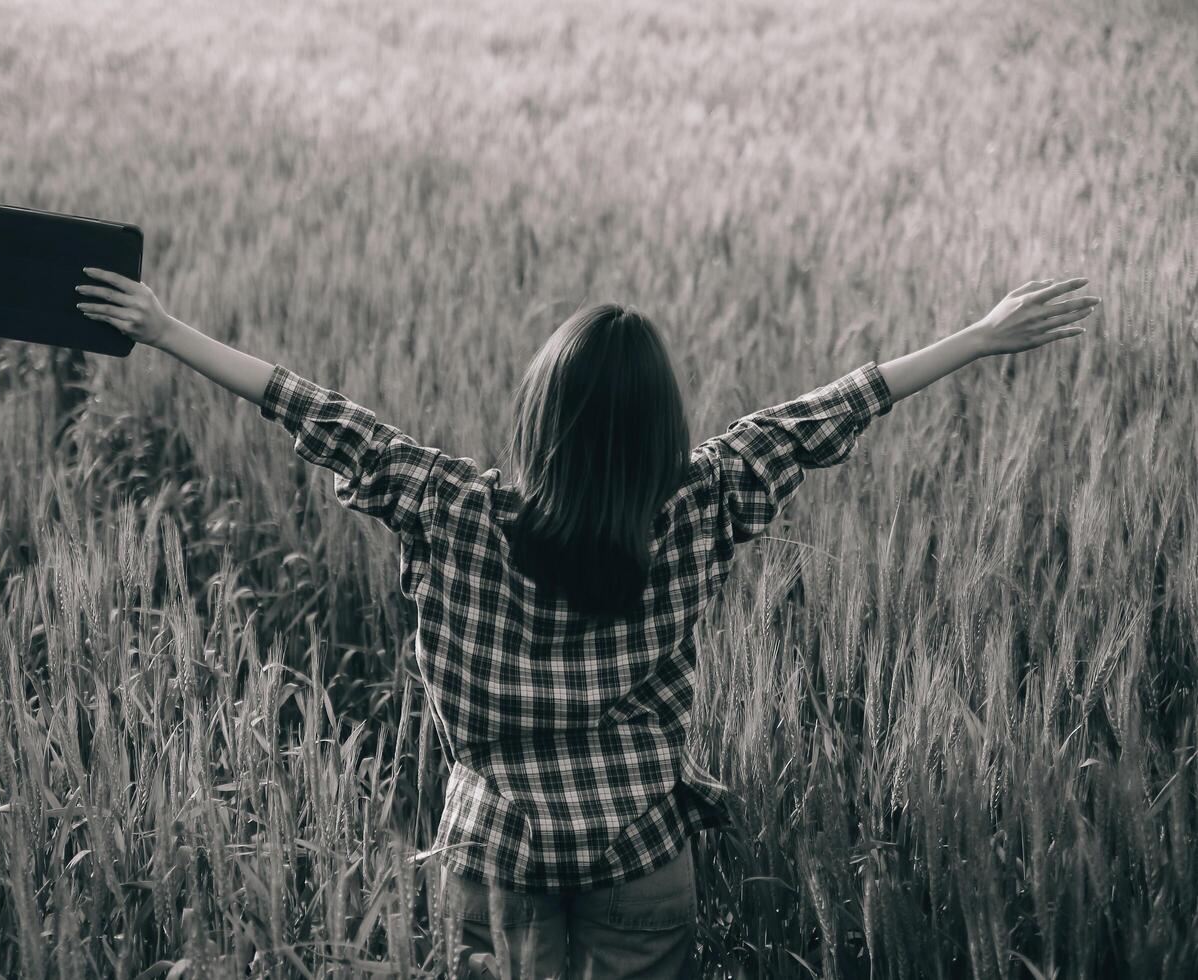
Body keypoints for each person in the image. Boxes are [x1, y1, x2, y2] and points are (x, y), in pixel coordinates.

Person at [75, 271, 1099, 978]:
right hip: (644, 849)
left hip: (492, 854)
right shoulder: (706, 500)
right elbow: (827, 410)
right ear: (666, 429)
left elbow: (314, 409)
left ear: (533, 417)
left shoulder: (448, 505)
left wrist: (165, 329)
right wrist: (979, 335)